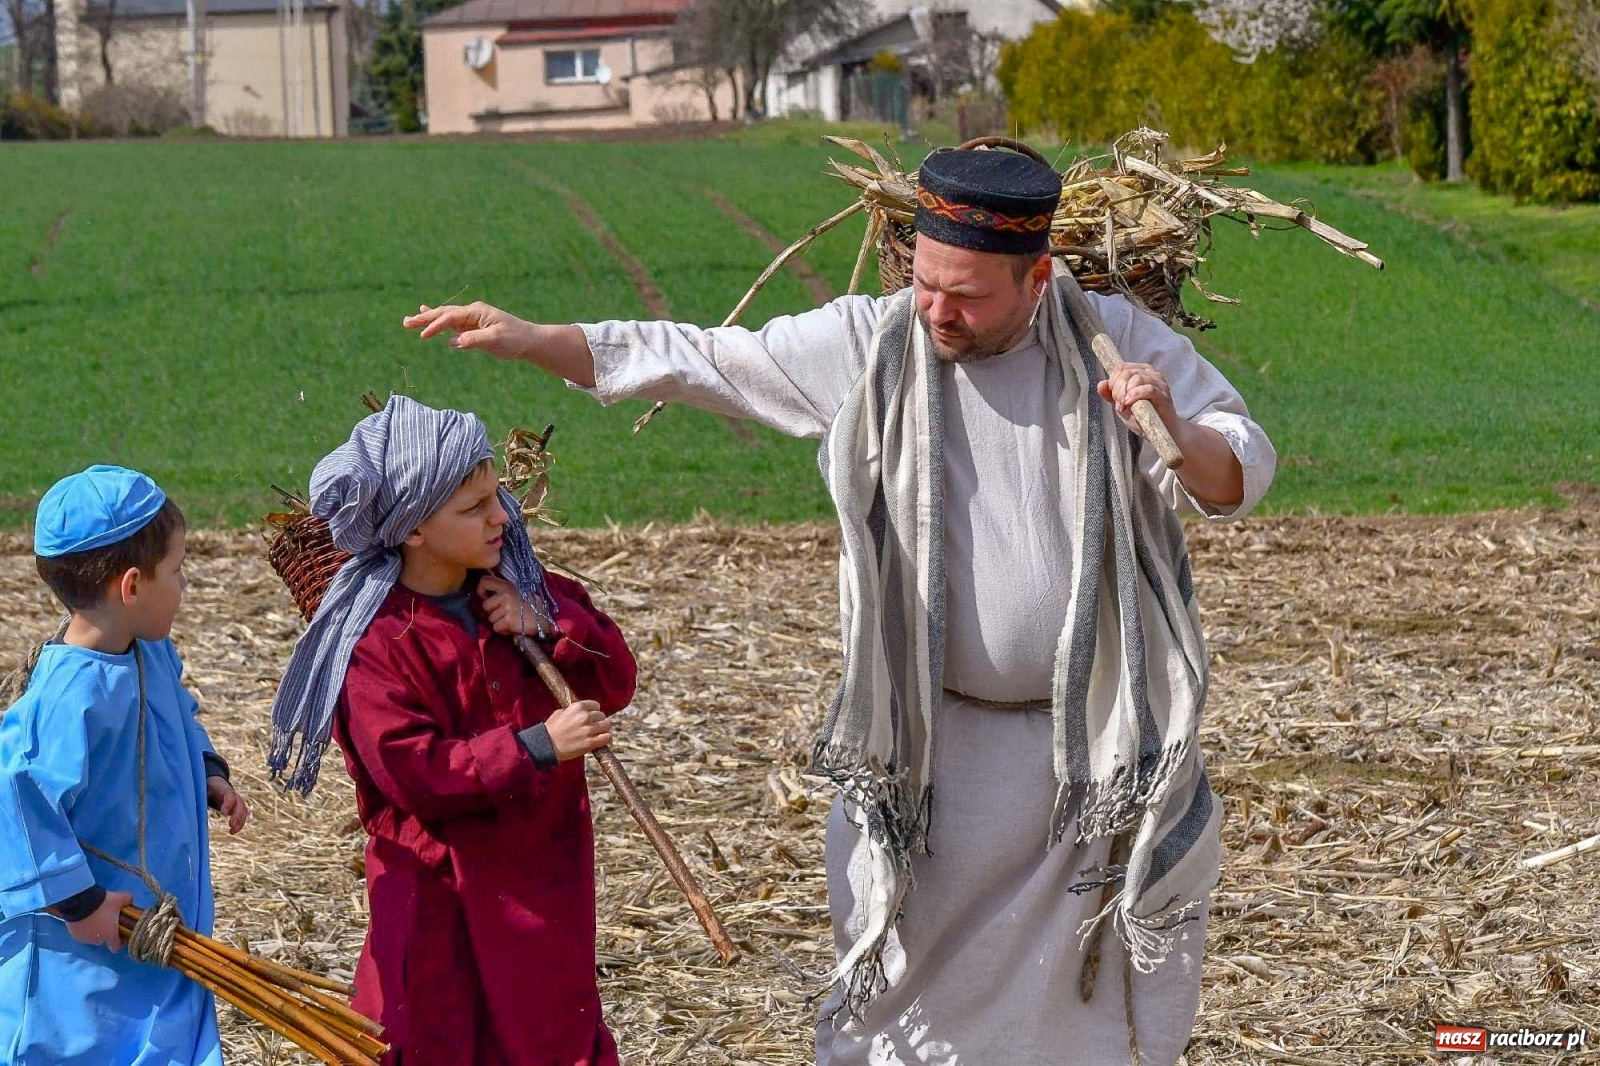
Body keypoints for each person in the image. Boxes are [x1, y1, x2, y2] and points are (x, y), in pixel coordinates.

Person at [403, 147, 1277, 1066]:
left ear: (1037, 279)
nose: (937, 311)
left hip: (1089, 764)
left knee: (1075, 1027)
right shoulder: (875, 343)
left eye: (967, 295)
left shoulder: (1113, 339)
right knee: (898, 1018)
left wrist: (1171, 425)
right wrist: (535, 339)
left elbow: (1238, 467)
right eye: (926, 283)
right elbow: (706, 360)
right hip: (925, 761)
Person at [266, 396, 638, 1066]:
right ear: (413, 528)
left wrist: (549, 624)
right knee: (440, 1038)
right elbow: (411, 771)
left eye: (496, 497)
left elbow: (615, 681)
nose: (502, 517)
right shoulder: (377, 641)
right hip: (441, 899)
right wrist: (535, 747)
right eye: (474, 508)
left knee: (552, 1038)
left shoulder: (525, 589)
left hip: (543, 886)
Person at [0, 465, 250, 1066]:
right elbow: (17, 804)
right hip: (84, 950)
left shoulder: (149, 649)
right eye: (178, 569)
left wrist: (207, 770)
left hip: (152, 924)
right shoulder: (68, 696)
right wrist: (79, 905)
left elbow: (176, 715)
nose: (186, 582)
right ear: (132, 586)